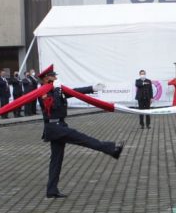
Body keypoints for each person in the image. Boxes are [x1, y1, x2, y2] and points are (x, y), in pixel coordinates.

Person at [36, 65, 123, 198]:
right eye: (53, 76)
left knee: (56, 160)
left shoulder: (54, 89)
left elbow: (73, 92)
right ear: (46, 78)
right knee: (84, 139)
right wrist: (58, 91)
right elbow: (54, 107)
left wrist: (92, 88)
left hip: (59, 127)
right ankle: (112, 149)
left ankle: (51, 190)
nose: (56, 78)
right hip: (55, 127)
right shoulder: (43, 92)